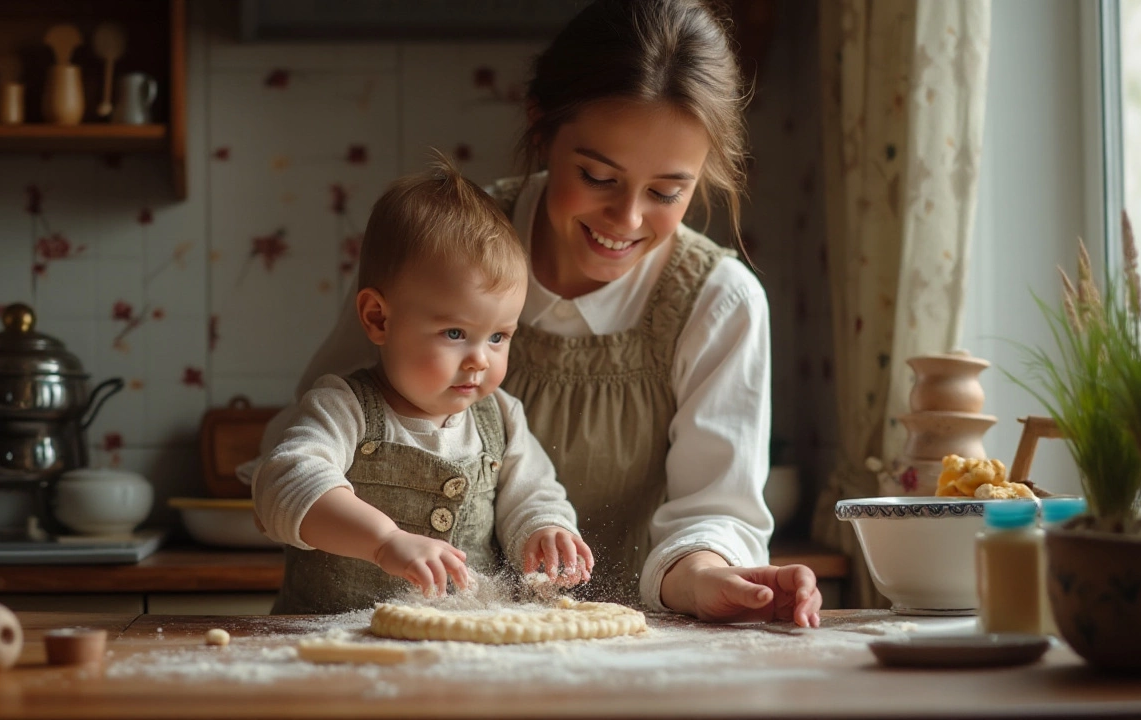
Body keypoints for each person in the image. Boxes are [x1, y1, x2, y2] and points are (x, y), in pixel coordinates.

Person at [256, 0, 822, 627]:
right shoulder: (437, 252)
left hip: (620, 656)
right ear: (542, 124)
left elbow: (710, 507)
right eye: (597, 175)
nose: (627, 220)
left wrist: (706, 576)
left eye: (667, 192)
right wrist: (382, 538)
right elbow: (299, 452)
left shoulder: (721, 302)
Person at [253, 155, 594, 614]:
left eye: (498, 337)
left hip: (463, 657)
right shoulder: (343, 408)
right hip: (335, 658)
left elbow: (532, 495)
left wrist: (546, 529)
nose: (479, 359)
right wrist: (383, 541)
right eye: (455, 333)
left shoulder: (502, 418)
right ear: (378, 318)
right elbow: (285, 482)